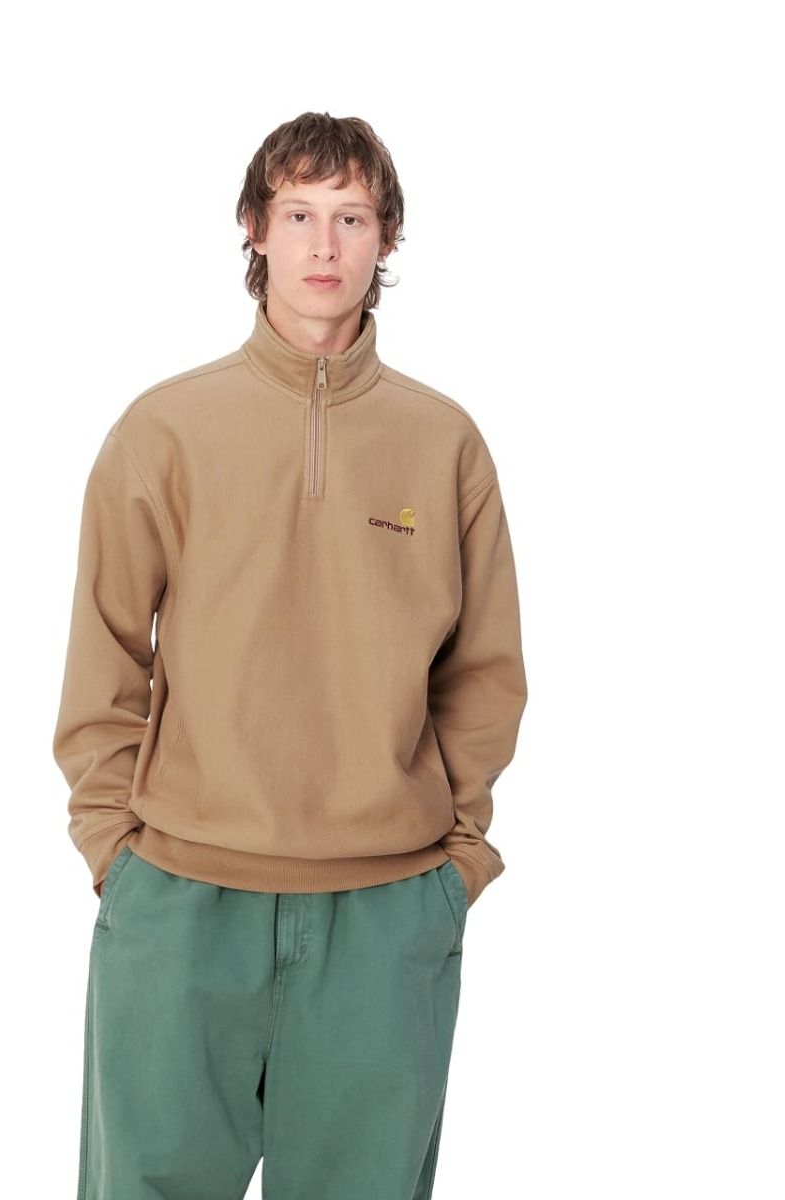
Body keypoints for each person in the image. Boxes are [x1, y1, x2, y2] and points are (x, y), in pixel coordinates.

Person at [53, 110, 528, 1200]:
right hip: (180, 903)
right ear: (254, 230)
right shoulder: (165, 430)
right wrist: (115, 850)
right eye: (300, 214)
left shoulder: (444, 443)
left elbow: (485, 671)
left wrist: (454, 865)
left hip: (385, 912)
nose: (324, 245)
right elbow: (106, 656)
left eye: (351, 218)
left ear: (386, 238)